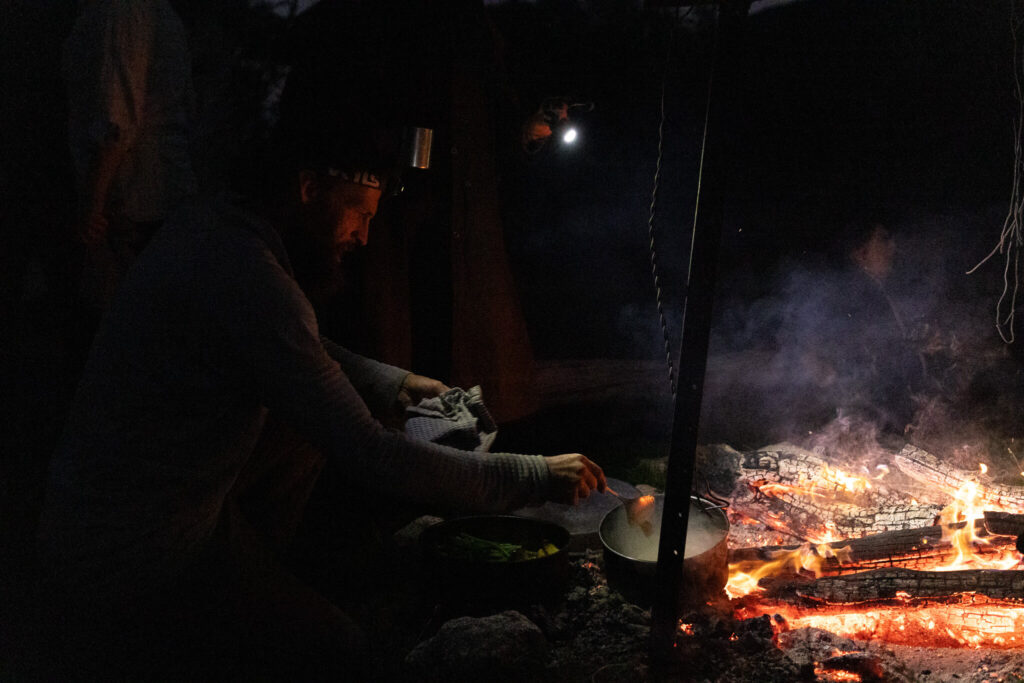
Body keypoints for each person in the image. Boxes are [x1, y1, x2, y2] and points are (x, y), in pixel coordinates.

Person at [37, 80, 605, 679]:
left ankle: (272, 574)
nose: (363, 237)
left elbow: (295, 349)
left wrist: (395, 382)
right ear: (309, 189)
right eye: (359, 213)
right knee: (340, 650)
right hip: (129, 555)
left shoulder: (215, 227)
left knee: (306, 431)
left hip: (143, 513)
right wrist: (533, 475)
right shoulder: (250, 278)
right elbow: (372, 453)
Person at [63, 0, 197, 313]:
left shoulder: (121, 10)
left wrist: (93, 205)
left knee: (117, 310)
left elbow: (117, 120)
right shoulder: (159, 12)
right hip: (155, 194)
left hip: (132, 200)